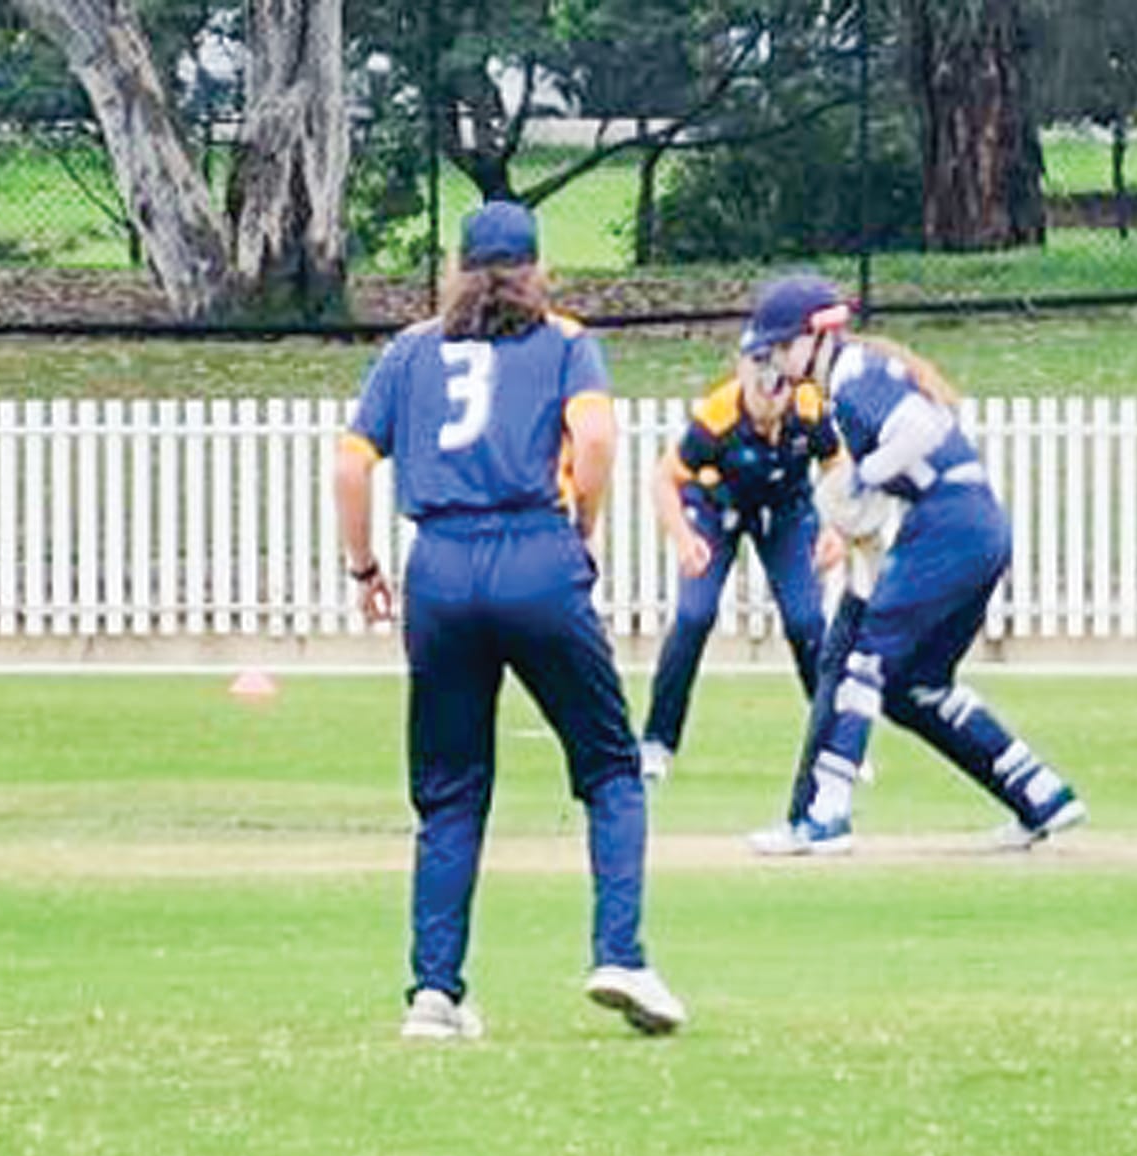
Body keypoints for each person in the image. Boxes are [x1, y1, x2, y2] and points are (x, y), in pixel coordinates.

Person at [334, 200, 685, 1041]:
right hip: (535, 551)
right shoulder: (564, 343)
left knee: (450, 790)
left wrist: (365, 568)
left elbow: (350, 467)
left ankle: (433, 993)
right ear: (535, 268)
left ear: (459, 267)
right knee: (608, 767)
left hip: (441, 568)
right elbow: (594, 437)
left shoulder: (411, 350)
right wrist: (583, 524)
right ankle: (619, 954)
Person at [739, 275, 1090, 856]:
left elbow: (921, 430)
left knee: (864, 663)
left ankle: (826, 817)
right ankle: (1040, 793)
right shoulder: (854, 378)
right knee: (914, 687)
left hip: (949, 526)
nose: (774, 360)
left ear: (815, 336)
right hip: (972, 526)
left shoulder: (852, 376)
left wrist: (859, 478)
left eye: (780, 346)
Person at [638, 354, 845, 784]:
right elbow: (664, 480)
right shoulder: (718, 414)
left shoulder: (807, 406)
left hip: (786, 512)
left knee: (806, 620)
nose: (770, 423)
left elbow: (838, 465)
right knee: (694, 616)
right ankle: (657, 743)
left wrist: (836, 527)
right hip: (717, 510)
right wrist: (683, 539)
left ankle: (836, 743)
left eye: (778, 404)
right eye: (761, 407)